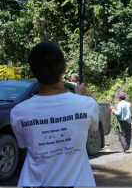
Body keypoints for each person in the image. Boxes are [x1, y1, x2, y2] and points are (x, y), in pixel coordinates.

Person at [10, 41, 98, 186]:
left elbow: (25, 144)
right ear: (64, 70)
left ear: (32, 70)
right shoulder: (87, 104)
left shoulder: (19, 112)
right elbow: (93, 128)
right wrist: (81, 96)